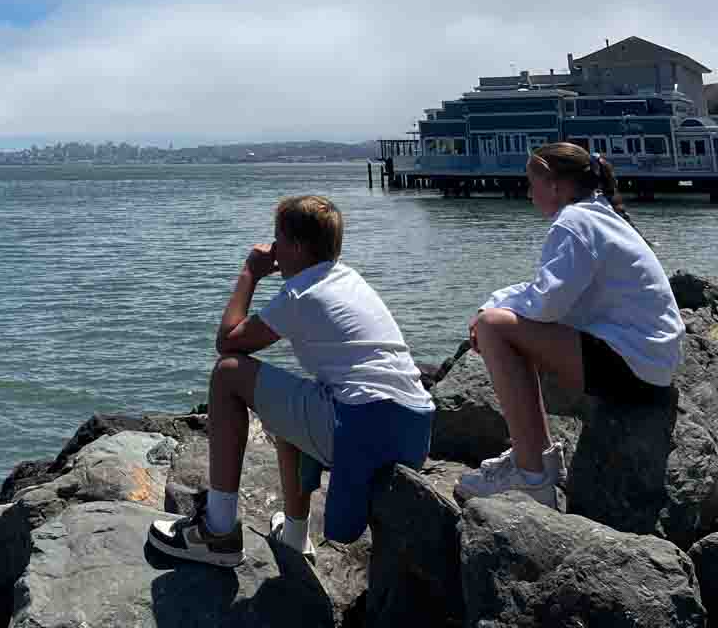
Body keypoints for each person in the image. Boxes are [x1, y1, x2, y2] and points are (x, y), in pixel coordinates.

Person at [147, 194, 434, 569]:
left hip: (364, 427)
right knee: (295, 402)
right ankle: (296, 537)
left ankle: (217, 532)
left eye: (277, 240)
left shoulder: (301, 293)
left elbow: (228, 343)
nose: (273, 248)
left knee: (228, 374)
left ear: (295, 247)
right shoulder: (348, 279)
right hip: (414, 428)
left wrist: (250, 272)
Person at [454, 141, 684, 508]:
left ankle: (531, 474)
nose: (529, 195)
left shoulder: (574, 223)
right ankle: (538, 459)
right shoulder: (599, 215)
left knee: (494, 328)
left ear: (555, 185)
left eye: (532, 185)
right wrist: (498, 300)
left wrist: (489, 311)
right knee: (500, 321)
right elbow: (551, 294)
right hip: (651, 363)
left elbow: (546, 305)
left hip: (634, 368)